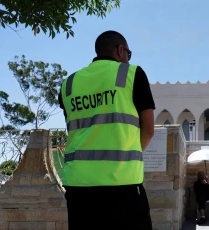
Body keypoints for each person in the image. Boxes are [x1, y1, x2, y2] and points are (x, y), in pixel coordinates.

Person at [58, 30, 156, 230]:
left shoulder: (68, 84)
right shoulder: (131, 74)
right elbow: (149, 129)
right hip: (123, 185)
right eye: (129, 54)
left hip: (78, 187)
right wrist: (129, 155)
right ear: (120, 50)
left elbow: (75, 129)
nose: (129, 59)